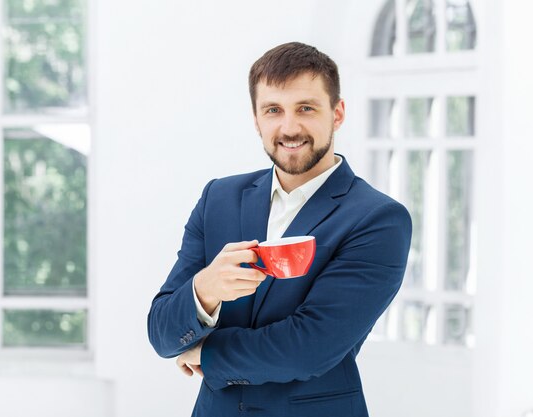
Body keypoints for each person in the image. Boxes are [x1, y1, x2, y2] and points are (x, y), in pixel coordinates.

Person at [147, 42, 412, 417]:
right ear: (256, 120)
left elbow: (308, 348)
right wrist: (205, 289)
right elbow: (161, 331)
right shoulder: (218, 198)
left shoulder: (379, 219)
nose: (289, 128)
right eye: (273, 110)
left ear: (337, 114)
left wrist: (206, 352)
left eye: (305, 108)